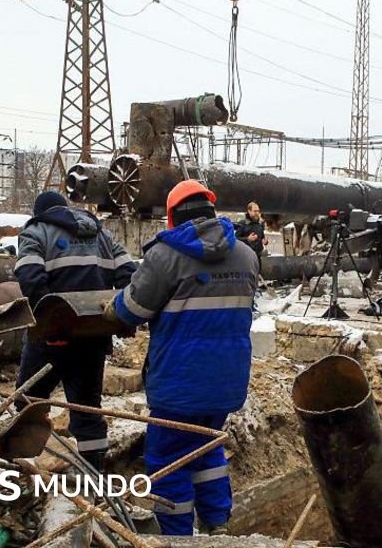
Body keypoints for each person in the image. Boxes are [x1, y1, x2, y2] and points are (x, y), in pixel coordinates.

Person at [106, 180, 259, 536]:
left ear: (172, 217)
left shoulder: (165, 256)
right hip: (226, 381)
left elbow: (131, 310)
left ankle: (177, 537)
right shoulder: (247, 256)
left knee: (167, 461)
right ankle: (217, 524)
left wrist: (110, 306)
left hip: (180, 384)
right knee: (206, 450)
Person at [14, 191, 136, 470]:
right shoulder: (101, 234)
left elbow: (29, 278)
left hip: (52, 338)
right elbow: (129, 275)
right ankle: (94, 473)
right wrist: (120, 318)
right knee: (87, 410)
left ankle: (25, 466)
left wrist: (51, 321)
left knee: (27, 400)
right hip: (93, 336)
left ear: (40, 212)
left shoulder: (36, 231)